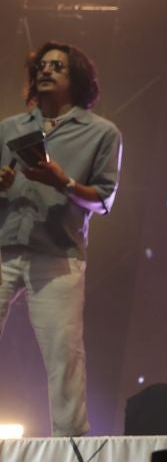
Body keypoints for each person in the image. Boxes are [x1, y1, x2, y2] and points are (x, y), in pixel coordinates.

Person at [0, 42, 123, 436]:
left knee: (63, 355)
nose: (46, 70)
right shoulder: (8, 128)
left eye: (57, 66)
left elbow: (103, 201)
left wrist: (63, 182)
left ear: (77, 78)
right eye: (41, 65)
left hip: (57, 255)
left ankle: (70, 448)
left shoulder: (101, 133)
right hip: (4, 247)